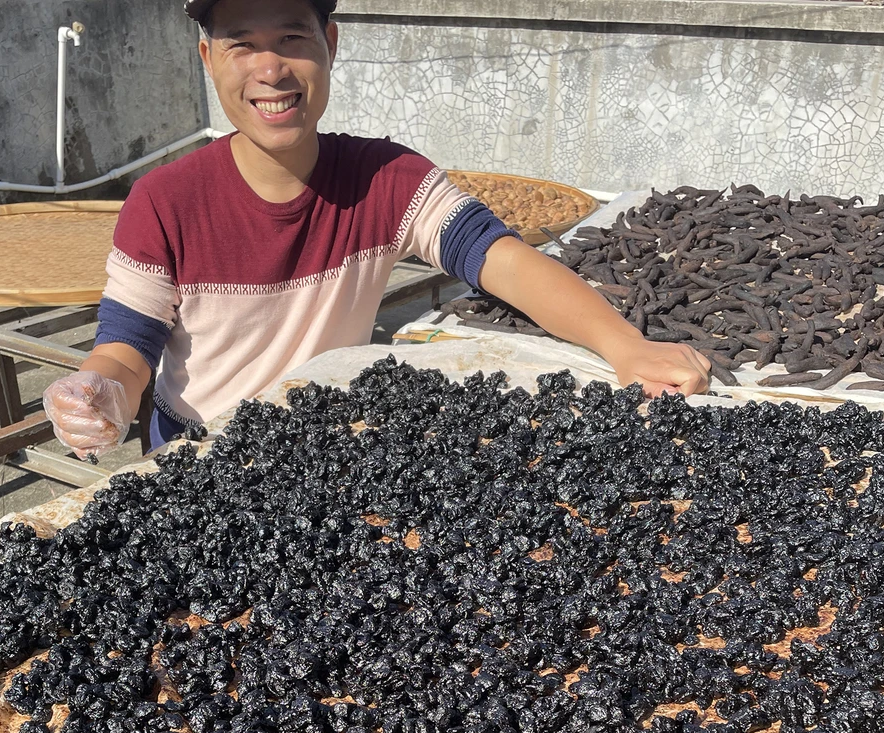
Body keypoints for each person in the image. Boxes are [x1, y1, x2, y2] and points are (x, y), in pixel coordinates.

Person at [43, 0, 711, 458]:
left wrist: (626, 348)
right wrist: (99, 392)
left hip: (334, 444)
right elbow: (127, 349)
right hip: (198, 447)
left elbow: (500, 260)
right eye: (242, 45)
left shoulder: (386, 179)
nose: (270, 70)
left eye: (292, 39)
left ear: (329, 44)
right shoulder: (164, 200)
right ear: (208, 58)